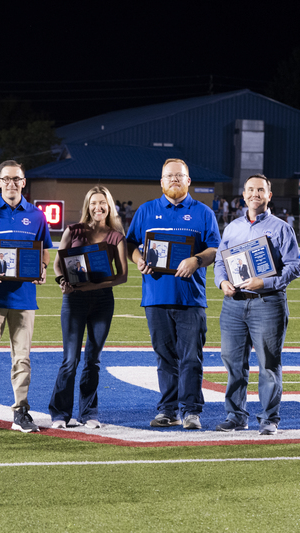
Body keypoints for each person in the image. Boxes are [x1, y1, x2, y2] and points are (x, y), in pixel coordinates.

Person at [127, 158, 220, 430]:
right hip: (155, 296)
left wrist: (197, 261)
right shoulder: (146, 211)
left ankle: (191, 410)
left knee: (191, 357)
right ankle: (168, 410)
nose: (174, 180)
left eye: (180, 176)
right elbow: (131, 243)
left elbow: (214, 248)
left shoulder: (203, 212)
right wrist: (137, 259)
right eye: (169, 176)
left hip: (190, 297)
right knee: (164, 356)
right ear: (161, 181)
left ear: (189, 180)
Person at [0, 160, 53, 434]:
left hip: (24, 298)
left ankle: (21, 412)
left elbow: (45, 250)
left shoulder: (37, 216)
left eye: (17, 179)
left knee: (22, 359)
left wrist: (42, 268)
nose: (12, 183)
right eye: (7, 179)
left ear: (23, 182)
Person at [213, 174, 300, 435]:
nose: (255, 194)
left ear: (269, 196)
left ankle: (269, 418)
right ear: (244, 194)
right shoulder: (232, 227)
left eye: (260, 190)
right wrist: (222, 283)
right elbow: (220, 262)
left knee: (269, 364)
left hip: (267, 302)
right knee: (232, 361)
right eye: (250, 189)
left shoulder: (282, 228)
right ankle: (236, 416)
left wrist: (266, 283)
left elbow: (294, 266)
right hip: (234, 304)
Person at [49, 186, 129, 429]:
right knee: (70, 360)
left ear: (109, 206)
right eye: (94, 203)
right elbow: (57, 265)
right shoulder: (73, 231)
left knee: (93, 359)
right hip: (74, 300)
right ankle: (60, 414)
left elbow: (122, 276)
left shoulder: (116, 236)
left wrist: (90, 287)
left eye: (102, 203)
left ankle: (88, 413)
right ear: (87, 206)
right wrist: (63, 281)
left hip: (103, 301)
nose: (98, 207)